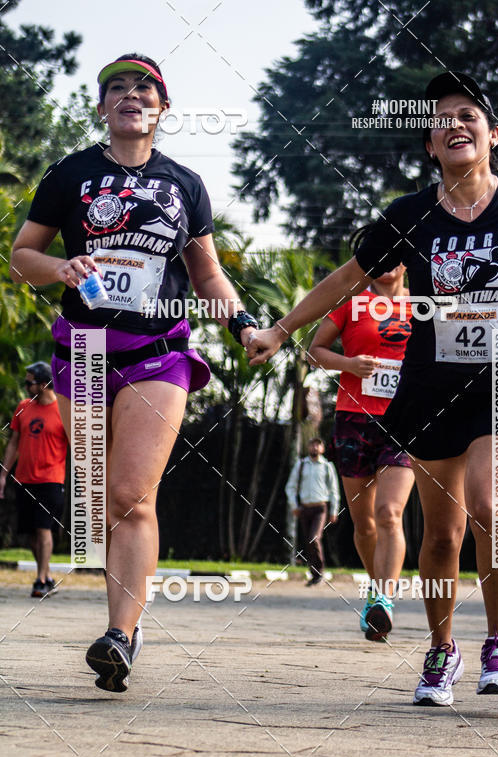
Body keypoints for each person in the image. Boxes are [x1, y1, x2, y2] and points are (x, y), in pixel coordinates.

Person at [246, 71, 498, 705]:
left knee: (492, 506)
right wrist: (278, 329)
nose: (454, 124)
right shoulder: (412, 215)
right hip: (433, 387)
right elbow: (348, 277)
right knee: (441, 535)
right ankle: (441, 652)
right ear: (432, 147)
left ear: (493, 135)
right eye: (442, 120)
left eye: (469, 116)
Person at [10, 54, 258, 692]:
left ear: (162, 109)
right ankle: (128, 620)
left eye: (144, 87)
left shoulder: (184, 184)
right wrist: (59, 267)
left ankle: (120, 634)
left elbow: (206, 275)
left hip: (157, 353)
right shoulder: (72, 174)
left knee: (130, 495)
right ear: (101, 107)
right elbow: (21, 257)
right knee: (97, 507)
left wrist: (243, 324)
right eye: (116, 87)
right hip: (84, 354)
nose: (130, 95)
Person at [308, 264, 415, 639]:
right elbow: (314, 352)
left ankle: (385, 599)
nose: (387, 264)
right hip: (354, 419)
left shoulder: (424, 306)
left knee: (389, 513)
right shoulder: (351, 302)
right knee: (365, 522)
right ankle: (374, 591)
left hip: (403, 422)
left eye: (395, 255)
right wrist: (349, 364)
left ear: (406, 262)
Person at [0, 362, 68, 597]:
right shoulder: (23, 407)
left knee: (43, 528)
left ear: (44, 384)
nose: (26, 386)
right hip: (24, 480)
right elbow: (13, 443)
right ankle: (47, 576)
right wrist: (3, 474)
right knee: (31, 533)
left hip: (51, 480)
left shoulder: (64, 410)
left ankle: (40, 580)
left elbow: (77, 447)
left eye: (30, 382)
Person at [285, 437, 340, 586]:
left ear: (322, 448)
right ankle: (314, 574)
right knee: (308, 542)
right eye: (312, 444)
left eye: (318, 445)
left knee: (314, 538)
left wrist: (334, 510)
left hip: (320, 508)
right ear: (308, 447)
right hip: (304, 508)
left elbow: (334, 490)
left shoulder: (327, 466)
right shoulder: (301, 465)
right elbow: (290, 486)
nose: (315, 448)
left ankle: (319, 571)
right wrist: (294, 506)